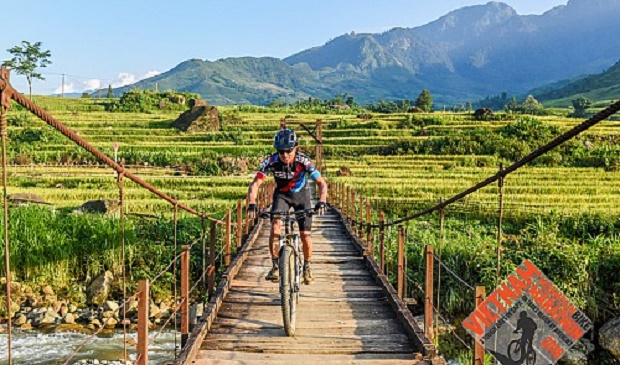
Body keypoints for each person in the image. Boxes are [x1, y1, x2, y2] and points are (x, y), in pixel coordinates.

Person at [246, 128, 328, 285]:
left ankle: (307, 267)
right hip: (282, 196)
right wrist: (251, 204)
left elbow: (321, 183)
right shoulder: (271, 161)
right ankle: (276, 265)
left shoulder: (303, 161)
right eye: (281, 151)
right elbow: (255, 184)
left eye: (289, 151)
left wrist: (322, 201)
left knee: (305, 235)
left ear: (295, 148)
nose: (285, 155)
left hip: (301, 197)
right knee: (275, 226)